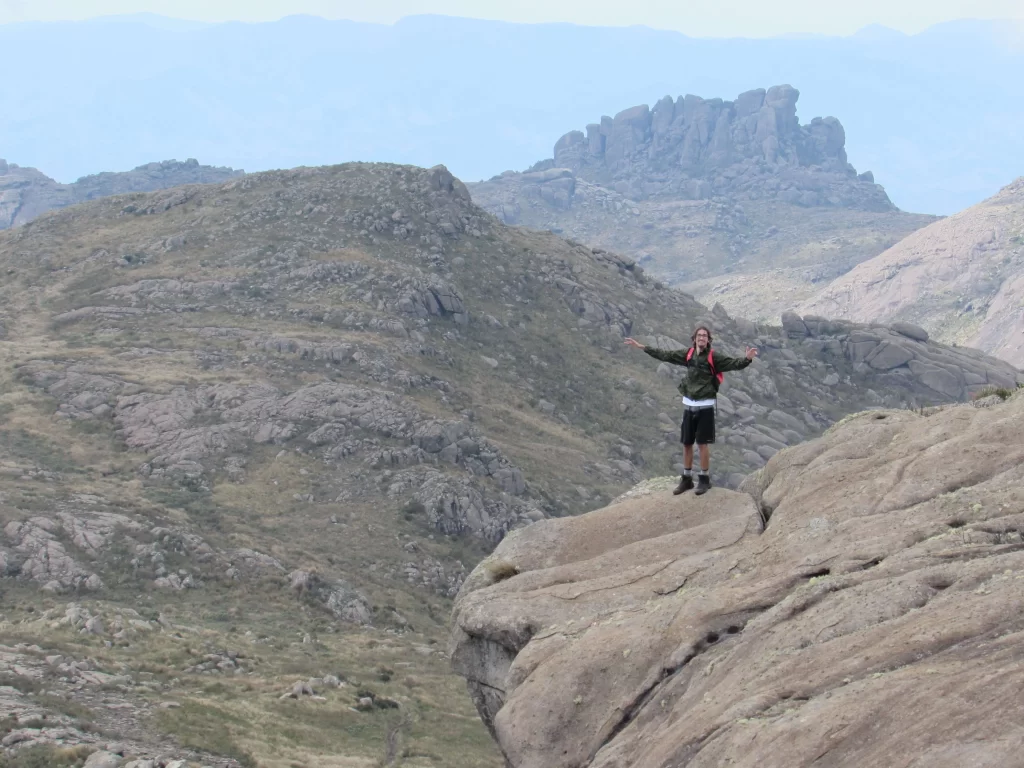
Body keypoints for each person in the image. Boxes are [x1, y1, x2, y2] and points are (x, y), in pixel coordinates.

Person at [624, 327, 757, 496]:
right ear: (694, 339)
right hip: (688, 405)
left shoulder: (713, 357)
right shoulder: (688, 354)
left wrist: (747, 359)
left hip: (705, 406)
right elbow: (666, 355)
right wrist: (643, 347)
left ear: (708, 340)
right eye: (699, 335)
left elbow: (733, 364)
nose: (702, 338)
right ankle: (686, 479)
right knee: (687, 443)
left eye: (705, 336)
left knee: (702, 443)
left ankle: (704, 479)